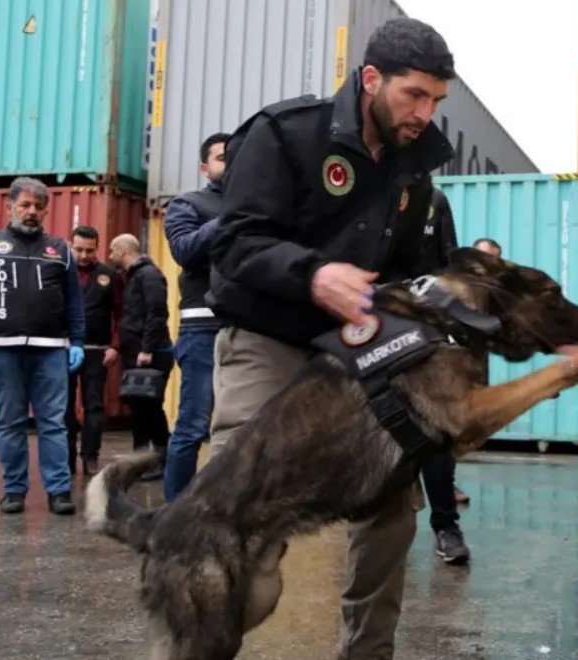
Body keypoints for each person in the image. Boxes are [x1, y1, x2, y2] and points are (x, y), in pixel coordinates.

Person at [207, 17, 456, 659]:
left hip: (354, 352)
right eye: (414, 95)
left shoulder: (414, 168)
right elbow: (235, 243)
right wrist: (315, 275)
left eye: (437, 101)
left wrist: (424, 315)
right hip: (269, 336)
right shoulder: (285, 134)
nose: (425, 114)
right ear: (372, 78)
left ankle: (367, 652)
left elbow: (399, 268)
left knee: (391, 503)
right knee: (237, 507)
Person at [0, 177, 85, 515]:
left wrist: (78, 342)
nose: (31, 212)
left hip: (52, 348)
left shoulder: (61, 250)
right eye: (24, 205)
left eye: (38, 207)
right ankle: (14, 490)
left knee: (53, 422)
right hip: (3, 346)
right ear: (10, 206)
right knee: (10, 421)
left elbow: (74, 303)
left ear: (46, 211)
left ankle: (59, 491)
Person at [161, 132, 229, 501]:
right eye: (221, 158)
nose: (230, 164)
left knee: (239, 428)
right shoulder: (187, 203)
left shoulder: (261, 204)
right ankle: (175, 514)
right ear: (205, 167)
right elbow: (184, 250)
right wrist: (230, 219)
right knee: (192, 425)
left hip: (249, 329)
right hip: (202, 329)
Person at [411, 187, 471, 564]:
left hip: (425, 328)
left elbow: (448, 269)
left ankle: (446, 526)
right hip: (370, 325)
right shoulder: (363, 191)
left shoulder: (433, 200)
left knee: (437, 432)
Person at [109, 234, 174, 482]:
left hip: (151, 354)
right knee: (139, 407)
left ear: (123, 250)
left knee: (150, 407)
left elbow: (157, 313)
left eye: (112, 251)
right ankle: (139, 460)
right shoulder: (134, 276)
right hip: (137, 353)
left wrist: (146, 348)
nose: (110, 256)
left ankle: (161, 459)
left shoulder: (149, 275)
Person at [66, 225, 122, 477]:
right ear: (70, 245)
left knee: (94, 406)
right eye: (78, 249)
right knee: (63, 406)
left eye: (89, 250)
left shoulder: (109, 276)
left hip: (96, 351)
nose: (84, 255)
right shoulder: (61, 271)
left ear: (97, 248)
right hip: (64, 350)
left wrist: (114, 346)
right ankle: (65, 458)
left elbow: (121, 315)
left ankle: (90, 457)